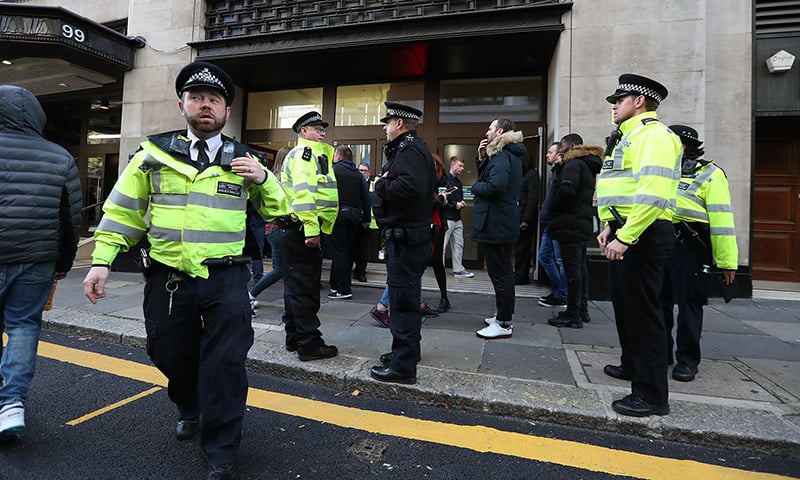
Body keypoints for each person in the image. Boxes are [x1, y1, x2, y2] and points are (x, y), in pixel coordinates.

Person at [81, 62, 290, 480]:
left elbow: (279, 211)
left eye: (214, 99)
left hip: (227, 277)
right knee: (168, 353)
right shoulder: (153, 153)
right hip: (169, 278)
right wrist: (101, 261)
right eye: (197, 98)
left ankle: (222, 451)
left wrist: (265, 178)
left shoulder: (245, 159)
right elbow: (124, 212)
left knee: (225, 364)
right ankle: (188, 404)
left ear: (227, 110)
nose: (205, 105)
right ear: (183, 105)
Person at [596, 73, 682, 417]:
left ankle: (651, 395)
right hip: (625, 229)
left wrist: (626, 237)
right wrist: (607, 224)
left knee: (645, 315)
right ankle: (632, 366)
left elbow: (652, 194)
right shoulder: (627, 138)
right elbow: (617, 186)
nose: (614, 105)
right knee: (627, 308)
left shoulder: (654, 136)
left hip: (642, 234)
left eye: (619, 100)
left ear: (639, 101)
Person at [0, 85, 82, 441]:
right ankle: (11, 404)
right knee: (22, 326)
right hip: (37, 258)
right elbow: (70, 217)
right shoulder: (59, 156)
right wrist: (63, 262)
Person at [660, 125, 738, 382]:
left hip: (690, 247)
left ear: (684, 146)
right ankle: (661, 354)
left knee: (689, 305)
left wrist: (727, 262)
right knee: (658, 303)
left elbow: (722, 220)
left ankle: (687, 360)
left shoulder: (711, 174)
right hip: (660, 243)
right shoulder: (661, 171)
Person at [369, 101, 435, 385]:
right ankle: (405, 354)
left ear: (398, 123)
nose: (384, 129)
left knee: (402, 301)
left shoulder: (408, 150)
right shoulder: (414, 149)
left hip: (406, 240)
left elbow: (409, 186)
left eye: (387, 123)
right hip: (410, 238)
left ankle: (403, 367)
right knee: (406, 297)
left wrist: (380, 185)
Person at [280, 111, 339, 360]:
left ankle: (295, 337)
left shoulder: (311, 155)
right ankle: (309, 344)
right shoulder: (305, 155)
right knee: (305, 289)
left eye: (322, 128)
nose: (322, 132)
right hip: (305, 230)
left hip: (300, 229)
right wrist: (313, 231)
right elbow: (304, 194)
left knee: (296, 287)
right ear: (303, 131)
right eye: (317, 128)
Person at [473, 118, 524, 340]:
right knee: (501, 274)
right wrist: (483, 158)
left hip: (497, 224)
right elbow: (492, 177)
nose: (487, 132)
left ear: (500, 131)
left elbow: (495, 186)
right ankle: (503, 316)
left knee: (501, 275)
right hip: (500, 222)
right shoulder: (505, 155)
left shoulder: (503, 156)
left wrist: (474, 187)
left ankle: (504, 323)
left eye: (490, 129)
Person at [546, 134, 602, 329]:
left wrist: (553, 207)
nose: (560, 150)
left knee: (573, 271)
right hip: (580, 222)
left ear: (570, 146)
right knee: (579, 269)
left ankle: (573, 315)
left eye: (561, 146)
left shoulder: (573, 165)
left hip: (569, 224)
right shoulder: (586, 165)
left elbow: (567, 190)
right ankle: (581, 310)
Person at [249, 146, 292, 308]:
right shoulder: (283, 179)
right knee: (280, 268)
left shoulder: (272, 177)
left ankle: (291, 301)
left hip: (272, 228)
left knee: (285, 268)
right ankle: (251, 294)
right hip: (279, 227)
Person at [327, 145, 370, 299]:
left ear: (338, 156)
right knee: (346, 251)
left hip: (337, 214)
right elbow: (366, 198)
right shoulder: (358, 175)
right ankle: (340, 287)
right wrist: (366, 219)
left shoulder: (333, 170)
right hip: (354, 216)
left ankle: (341, 288)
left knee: (338, 252)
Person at [537, 142, 568, 308]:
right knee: (544, 256)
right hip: (549, 222)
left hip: (557, 222)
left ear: (559, 154)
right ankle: (558, 290)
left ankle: (562, 294)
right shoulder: (555, 172)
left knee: (559, 259)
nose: (547, 155)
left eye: (550, 152)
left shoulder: (563, 171)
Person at [441, 156, 473, 279]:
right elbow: (441, 199)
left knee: (459, 245)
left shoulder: (459, 183)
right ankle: (440, 269)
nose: (462, 168)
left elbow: (458, 199)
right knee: (442, 246)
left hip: (456, 218)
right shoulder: (444, 180)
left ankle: (458, 270)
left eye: (463, 166)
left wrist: (461, 202)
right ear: (452, 165)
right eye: (460, 166)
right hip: (447, 218)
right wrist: (455, 204)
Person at [514, 148, 540, 285]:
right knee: (519, 248)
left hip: (525, 217)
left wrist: (526, 219)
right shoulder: (525, 175)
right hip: (520, 215)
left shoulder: (531, 175)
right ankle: (519, 273)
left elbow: (532, 199)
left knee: (523, 248)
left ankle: (521, 275)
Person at [429, 153, 451, 313]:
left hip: (437, 225)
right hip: (428, 223)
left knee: (437, 262)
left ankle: (444, 298)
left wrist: (442, 201)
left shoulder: (444, 181)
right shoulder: (426, 181)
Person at [352, 161, 375, 283]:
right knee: (352, 247)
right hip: (354, 219)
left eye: (365, 171)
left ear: (369, 173)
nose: (362, 173)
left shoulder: (372, 185)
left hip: (367, 222)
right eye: (360, 170)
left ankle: (360, 272)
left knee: (363, 250)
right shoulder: (354, 182)